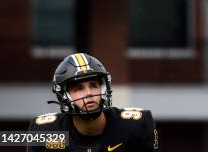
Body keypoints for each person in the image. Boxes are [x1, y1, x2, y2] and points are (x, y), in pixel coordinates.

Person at [27, 53, 159, 151]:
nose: (89, 93)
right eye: (79, 88)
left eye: (94, 85)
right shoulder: (45, 132)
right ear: (64, 96)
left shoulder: (137, 126)